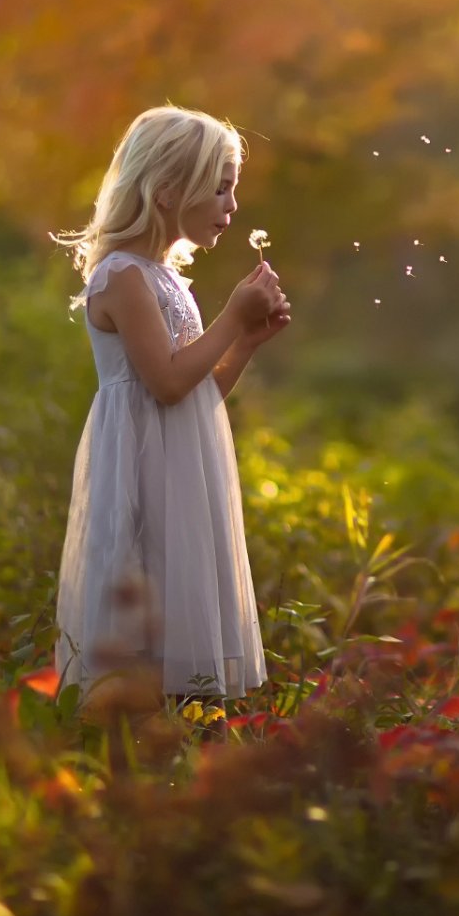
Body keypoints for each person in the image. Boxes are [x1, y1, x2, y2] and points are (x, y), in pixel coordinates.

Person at [51, 105, 290, 718]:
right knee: (147, 593)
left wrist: (245, 341)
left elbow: (196, 390)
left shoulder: (166, 279)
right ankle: (138, 736)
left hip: (181, 470)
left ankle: (187, 732)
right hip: (141, 472)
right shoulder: (122, 276)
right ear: (165, 191)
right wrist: (231, 316)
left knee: (182, 590)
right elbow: (165, 383)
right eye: (220, 188)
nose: (232, 206)